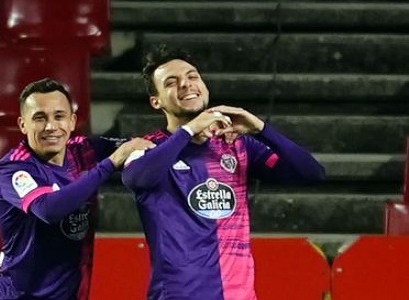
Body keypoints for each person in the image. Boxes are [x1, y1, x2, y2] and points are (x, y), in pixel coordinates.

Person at [121, 44, 326, 299]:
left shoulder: (237, 145)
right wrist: (189, 130)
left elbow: (311, 173)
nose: (186, 84)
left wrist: (260, 128)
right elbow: (136, 178)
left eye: (192, 77)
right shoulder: (148, 148)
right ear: (156, 101)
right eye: (172, 82)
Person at [0, 78, 155, 300]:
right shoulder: (15, 167)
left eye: (59, 116)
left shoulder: (82, 150)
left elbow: (141, 146)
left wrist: (194, 134)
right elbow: (48, 209)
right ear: (22, 124)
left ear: (72, 121)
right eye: (39, 118)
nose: (51, 127)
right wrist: (109, 164)